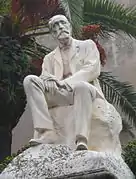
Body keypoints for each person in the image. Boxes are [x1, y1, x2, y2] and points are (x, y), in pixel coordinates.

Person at [23, 15, 122, 153]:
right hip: (60, 94)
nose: (60, 28)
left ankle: (81, 139)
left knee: (81, 86)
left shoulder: (87, 45)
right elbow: (44, 76)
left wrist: (64, 82)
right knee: (30, 80)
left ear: (69, 26)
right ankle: (47, 131)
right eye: (56, 27)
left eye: (63, 23)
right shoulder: (49, 58)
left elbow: (92, 69)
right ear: (52, 33)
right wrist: (48, 80)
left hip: (84, 90)